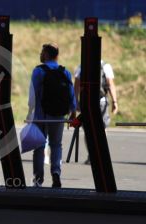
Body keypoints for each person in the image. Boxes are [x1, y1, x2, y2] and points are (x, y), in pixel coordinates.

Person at [27, 43, 76, 188]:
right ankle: (56, 173)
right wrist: (73, 111)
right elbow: (71, 93)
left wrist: (30, 112)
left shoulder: (38, 71)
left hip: (41, 115)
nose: (40, 55)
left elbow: (33, 94)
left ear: (47, 54)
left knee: (39, 146)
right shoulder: (64, 72)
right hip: (59, 115)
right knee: (56, 145)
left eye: (42, 52)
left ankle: (38, 179)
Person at [74, 60, 118, 164]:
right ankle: (102, 155)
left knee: (88, 129)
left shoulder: (82, 65)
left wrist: (75, 101)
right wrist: (114, 101)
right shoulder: (106, 66)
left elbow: (76, 85)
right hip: (101, 101)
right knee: (102, 129)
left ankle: (91, 156)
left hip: (86, 101)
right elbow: (110, 84)